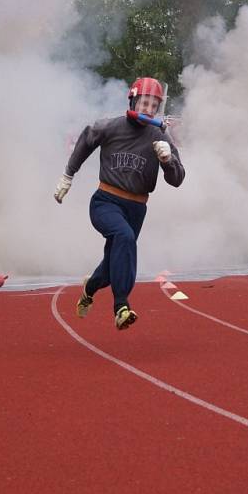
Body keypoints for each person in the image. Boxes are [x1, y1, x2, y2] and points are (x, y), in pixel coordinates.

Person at [54, 77, 185, 330]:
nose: (148, 108)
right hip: (106, 201)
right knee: (124, 237)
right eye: (144, 102)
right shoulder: (112, 126)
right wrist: (68, 175)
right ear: (133, 100)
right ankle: (121, 307)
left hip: (137, 208)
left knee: (112, 266)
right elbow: (86, 139)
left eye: (153, 105)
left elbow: (178, 179)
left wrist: (168, 161)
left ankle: (90, 288)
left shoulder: (160, 135)